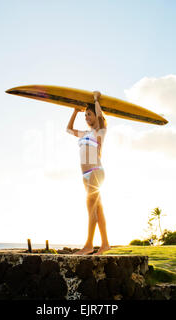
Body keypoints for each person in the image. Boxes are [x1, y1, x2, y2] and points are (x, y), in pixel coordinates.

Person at [66, 90, 110, 255]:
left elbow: (100, 117)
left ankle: (89, 245)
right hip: (86, 176)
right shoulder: (85, 134)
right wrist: (75, 111)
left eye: (88, 114)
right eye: (85, 115)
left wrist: (96, 100)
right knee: (97, 210)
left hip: (95, 172)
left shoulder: (100, 132)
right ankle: (105, 244)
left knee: (91, 209)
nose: (87, 117)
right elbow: (69, 129)